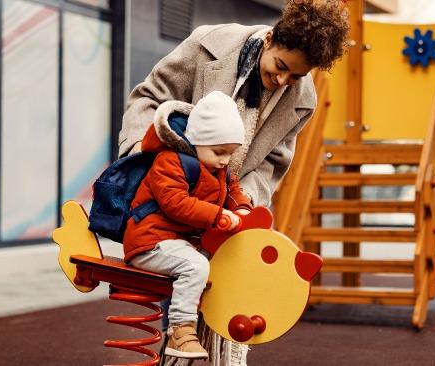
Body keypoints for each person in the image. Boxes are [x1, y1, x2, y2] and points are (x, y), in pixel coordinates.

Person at [118, 1, 349, 363]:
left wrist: (243, 208)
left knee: (228, 301)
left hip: (227, 207)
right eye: (281, 67)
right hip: (178, 197)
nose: (284, 81)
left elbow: (274, 161)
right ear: (270, 38)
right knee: (184, 295)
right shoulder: (208, 44)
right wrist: (140, 155)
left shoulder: (302, 99)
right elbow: (150, 97)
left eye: (297, 76)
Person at [123, 91, 253, 359]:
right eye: (220, 152)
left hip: (176, 243)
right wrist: (218, 216)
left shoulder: (217, 169)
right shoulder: (169, 161)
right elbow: (175, 202)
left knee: (218, 262)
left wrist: (242, 209)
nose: (225, 160)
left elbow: (233, 190)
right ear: (198, 141)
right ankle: (180, 333)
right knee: (195, 265)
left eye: (230, 153)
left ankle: (208, 320)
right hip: (150, 242)